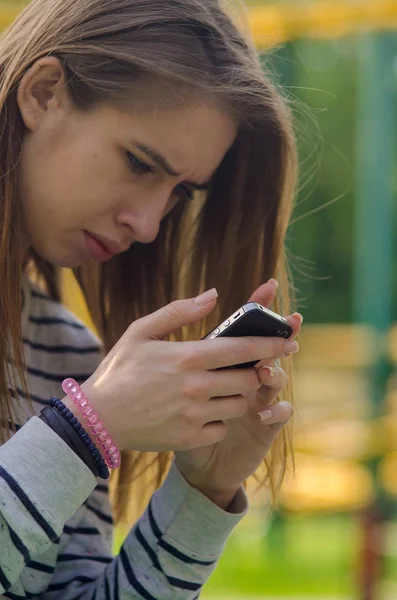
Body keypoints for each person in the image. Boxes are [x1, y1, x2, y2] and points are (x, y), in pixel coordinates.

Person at [0, 0, 303, 598]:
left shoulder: (63, 354)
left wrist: (200, 497)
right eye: (140, 163)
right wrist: (85, 430)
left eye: (180, 194)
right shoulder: (83, 403)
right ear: (44, 93)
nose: (148, 225)